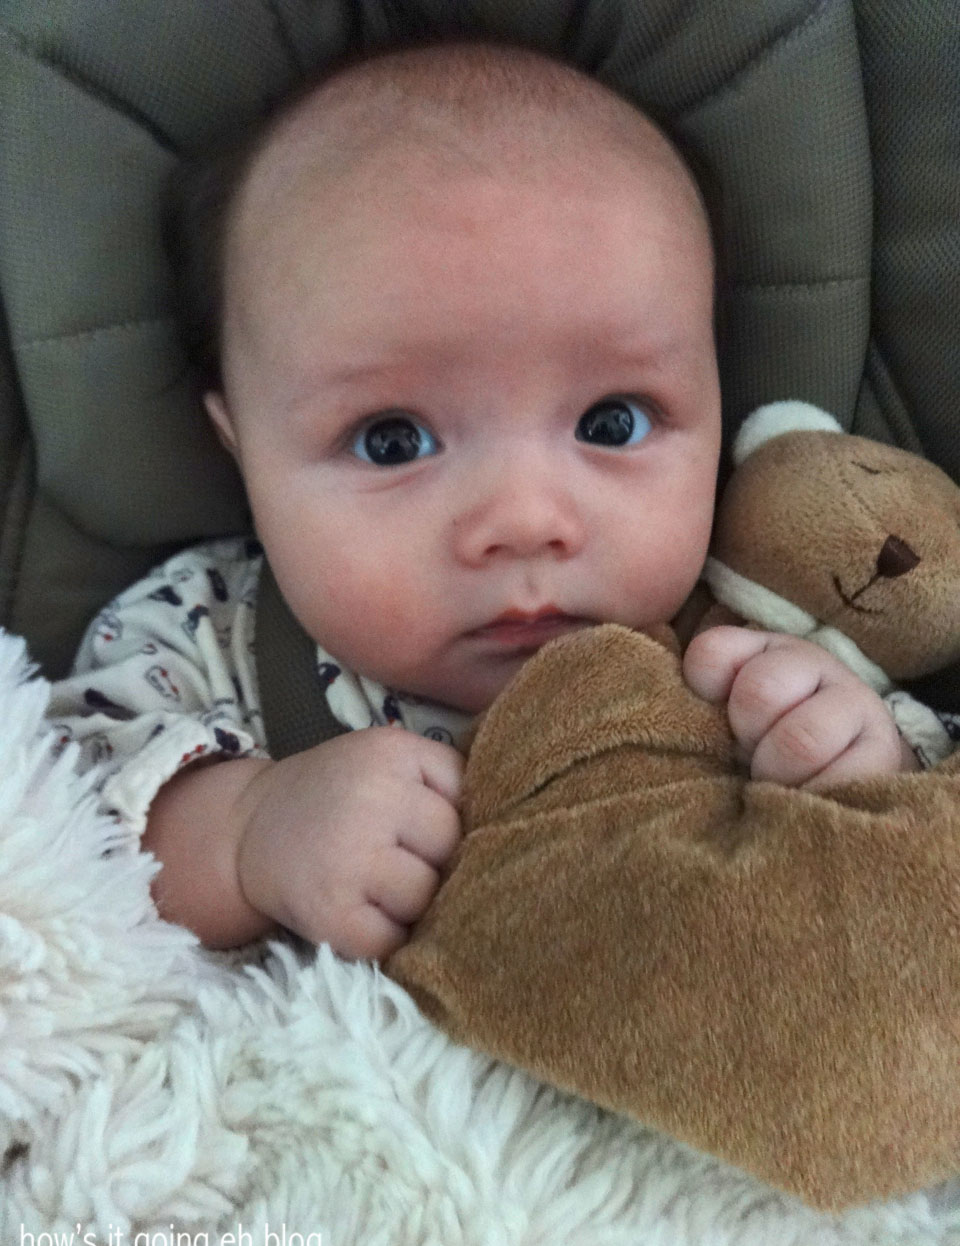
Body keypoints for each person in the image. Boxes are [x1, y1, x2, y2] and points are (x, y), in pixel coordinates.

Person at [46, 39, 921, 961]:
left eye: (613, 422)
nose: (526, 522)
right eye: (392, 440)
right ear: (241, 446)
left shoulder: (748, 641)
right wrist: (248, 834)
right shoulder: (202, 640)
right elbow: (61, 854)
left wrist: (859, 761)